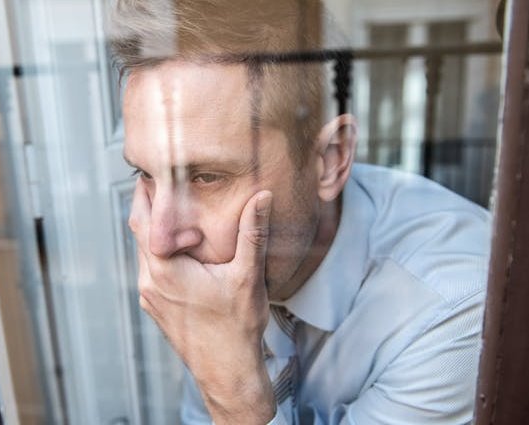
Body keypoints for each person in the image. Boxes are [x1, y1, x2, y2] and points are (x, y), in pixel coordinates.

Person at [109, 0, 491, 423]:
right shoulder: (221, 268)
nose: (161, 240)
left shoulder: (453, 307)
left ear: (329, 160)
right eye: (145, 173)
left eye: (207, 178)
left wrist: (236, 397)